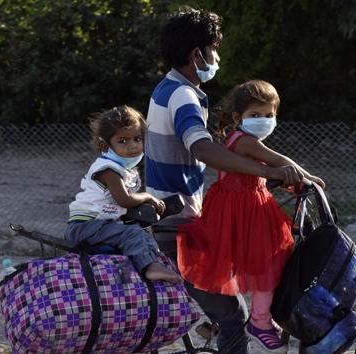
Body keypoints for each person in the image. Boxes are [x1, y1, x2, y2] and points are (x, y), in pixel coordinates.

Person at [145, 7, 303, 354]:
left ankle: (208, 326)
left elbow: (223, 148)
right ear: (196, 54)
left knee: (228, 289)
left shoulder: (169, 89)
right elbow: (203, 149)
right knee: (235, 314)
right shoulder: (182, 96)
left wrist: (276, 169)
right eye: (214, 48)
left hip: (178, 216)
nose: (217, 57)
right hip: (175, 225)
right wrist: (271, 172)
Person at [177, 80, 325, 354]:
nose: (264, 120)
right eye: (255, 115)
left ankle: (252, 319)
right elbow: (278, 160)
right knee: (270, 264)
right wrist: (309, 177)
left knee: (262, 265)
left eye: (269, 115)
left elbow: (272, 168)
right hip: (243, 211)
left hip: (244, 207)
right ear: (238, 118)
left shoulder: (243, 139)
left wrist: (295, 180)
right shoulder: (244, 141)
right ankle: (259, 322)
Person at [65, 105, 181, 283]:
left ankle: (153, 263)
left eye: (137, 138)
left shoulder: (123, 168)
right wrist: (148, 197)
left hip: (100, 224)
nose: (133, 145)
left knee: (143, 233)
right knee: (132, 234)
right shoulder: (108, 169)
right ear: (105, 144)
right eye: (123, 141)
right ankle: (150, 268)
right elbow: (124, 200)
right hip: (85, 226)